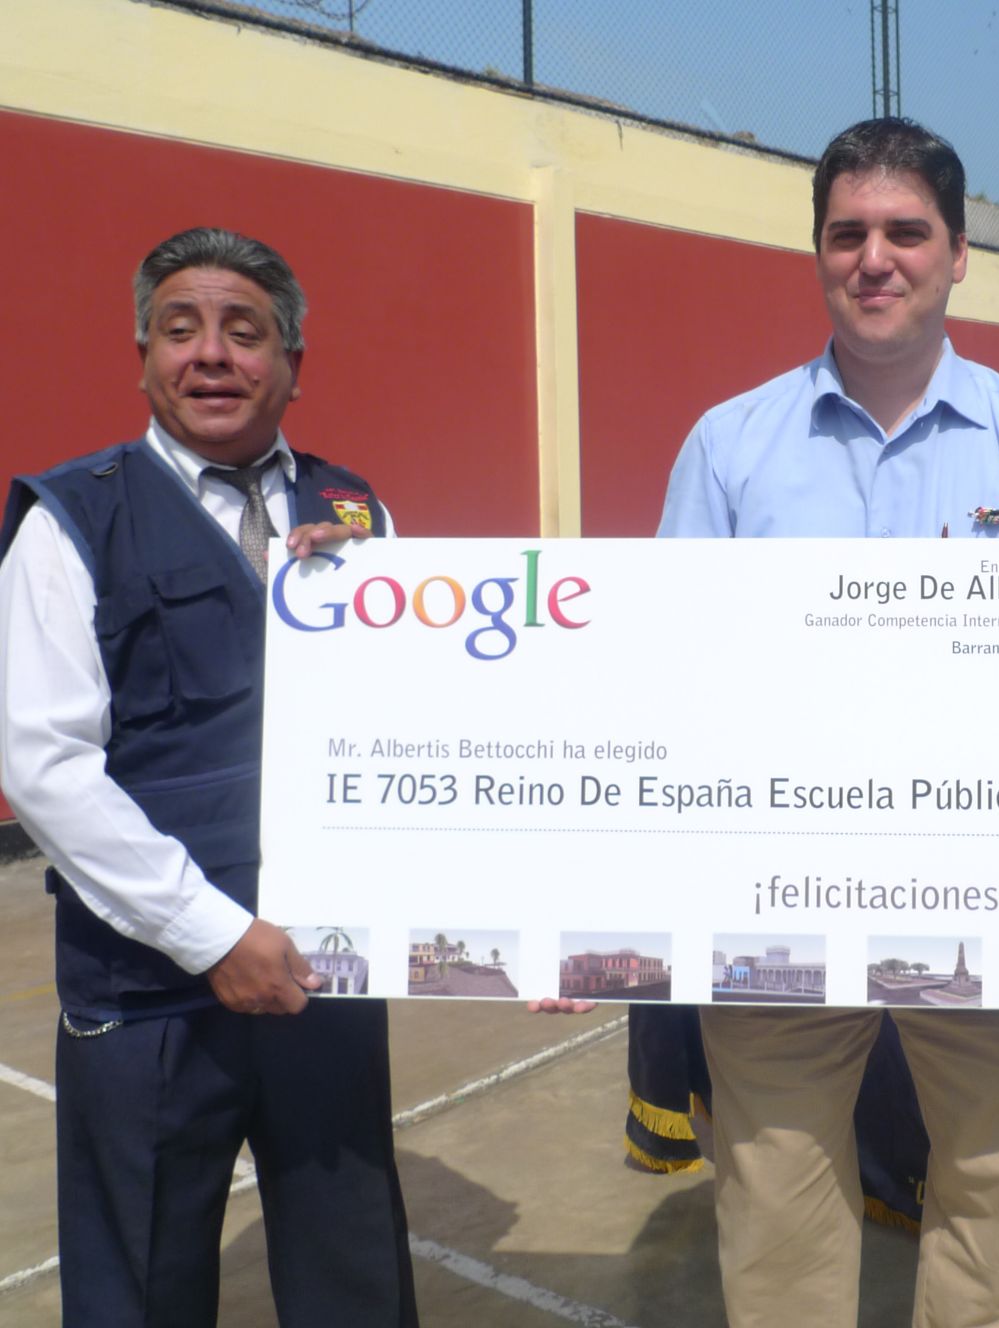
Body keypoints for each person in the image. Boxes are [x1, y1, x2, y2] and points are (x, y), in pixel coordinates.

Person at [660, 116, 999, 1328]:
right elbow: (670, 673)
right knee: (773, 1188)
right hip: (777, 879)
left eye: (906, 232)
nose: (876, 258)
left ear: (958, 253)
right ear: (816, 252)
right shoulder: (731, 446)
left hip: (989, 876)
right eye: (848, 233)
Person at [0, 227, 417, 1326]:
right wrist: (215, 934)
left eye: (246, 330)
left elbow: (420, 732)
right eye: (181, 329)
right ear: (143, 357)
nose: (213, 355)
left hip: (323, 973)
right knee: (137, 1285)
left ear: (292, 364)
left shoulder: (356, 509)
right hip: (151, 994)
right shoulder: (69, 518)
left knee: (354, 1276)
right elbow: (44, 766)